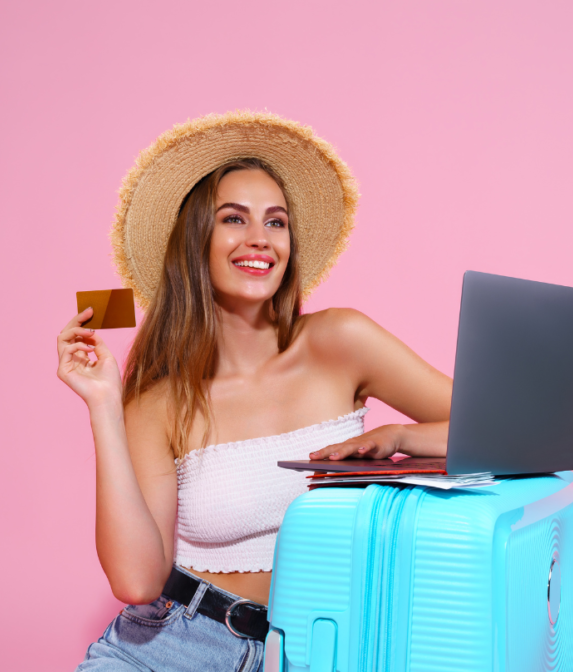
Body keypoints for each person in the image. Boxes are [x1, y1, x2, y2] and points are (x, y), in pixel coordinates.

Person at [57, 113, 451, 671]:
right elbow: (137, 579)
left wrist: (400, 437)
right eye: (233, 219)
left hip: (330, 647)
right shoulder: (160, 400)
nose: (259, 240)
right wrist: (102, 403)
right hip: (179, 647)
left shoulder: (341, 341)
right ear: (197, 240)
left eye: (276, 222)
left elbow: (505, 433)